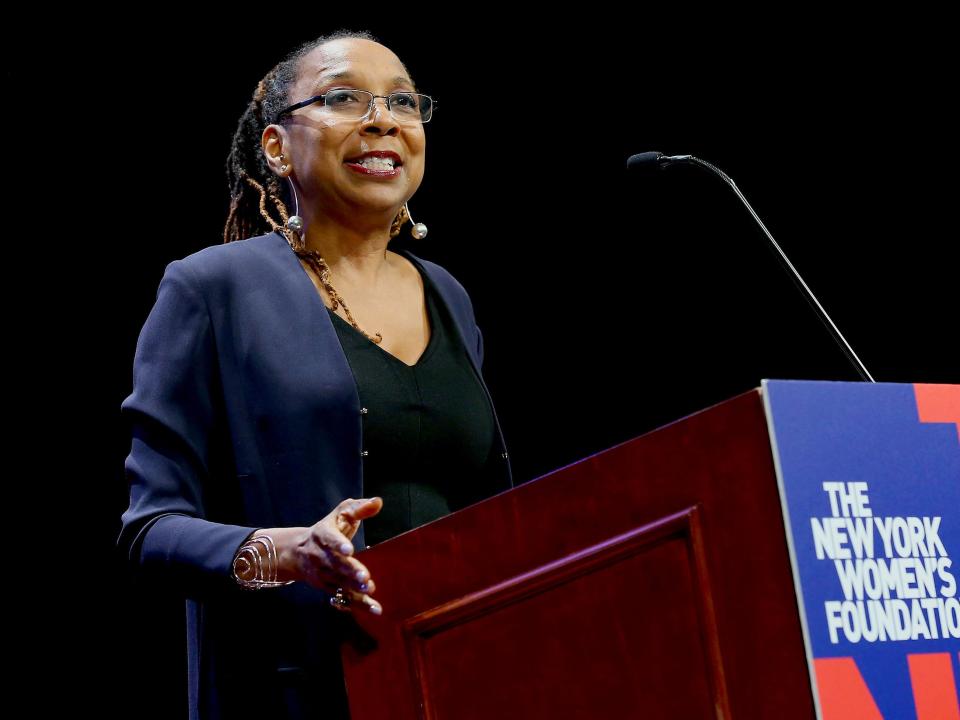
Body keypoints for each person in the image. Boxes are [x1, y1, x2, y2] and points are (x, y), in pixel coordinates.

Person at [117, 29, 514, 719]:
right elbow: (149, 531)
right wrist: (290, 552)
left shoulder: (447, 294)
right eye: (343, 98)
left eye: (402, 102)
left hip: (455, 672)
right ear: (276, 147)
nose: (383, 118)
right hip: (297, 688)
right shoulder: (212, 289)